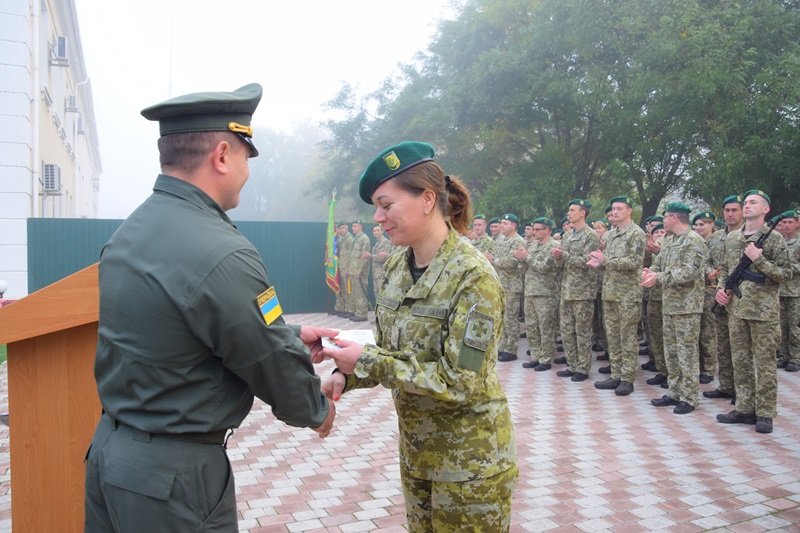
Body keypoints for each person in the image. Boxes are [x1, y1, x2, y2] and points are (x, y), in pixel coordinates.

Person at [83, 84, 336, 532]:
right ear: (221, 156)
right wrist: (316, 408)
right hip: (171, 479)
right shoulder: (220, 250)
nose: (246, 172)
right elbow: (269, 357)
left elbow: (176, 330)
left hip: (111, 455)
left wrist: (291, 333)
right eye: (245, 157)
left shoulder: (131, 232)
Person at [318, 141, 517, 532]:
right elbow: (397, 354)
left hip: (470, 467)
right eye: (376, 207)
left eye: (386, 204)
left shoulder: (472, 276)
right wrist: (347, 373)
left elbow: (459, 382)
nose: (378, 217)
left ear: (427, 199)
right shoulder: (397, 265)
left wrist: (366, 360)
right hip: (418, 456)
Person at [715, 190, 791, 433]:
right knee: (741, 361)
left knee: (766, 363)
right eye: (745, 202)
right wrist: (720, 289)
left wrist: (759, 260)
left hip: (763, 312)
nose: (747, 206)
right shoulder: (732, 238)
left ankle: (765, 412)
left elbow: (785, 275)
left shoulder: (775, 239)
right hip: (737, 309)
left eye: (753, 203)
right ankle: (745, 407)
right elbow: (726, 269)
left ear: (766, 209)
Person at [642, 203, 706, 414]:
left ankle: (689, 396)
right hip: (669, 305)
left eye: (666, 217)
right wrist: (649, 272)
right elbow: (658, 263)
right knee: (671, 351)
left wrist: (658, 277)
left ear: (675, 218)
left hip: (687, 307)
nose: (663, 221)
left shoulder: (694, 241)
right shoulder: (669, 240)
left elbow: (689, 273)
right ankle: (674, 391)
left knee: (686, 352)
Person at [589, 196, 646, 396]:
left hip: (628, 294)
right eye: (613, 209)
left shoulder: (636, 234)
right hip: (610, 292)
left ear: (629, 210)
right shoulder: (612, 235)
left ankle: (627, 378)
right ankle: (616, 373)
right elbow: (609, 262)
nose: (614, 212)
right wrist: (599, 261)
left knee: (627, 337)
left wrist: (606, 260)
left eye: (619, 208)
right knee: (612, 336)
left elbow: (633, 261)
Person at [553, 199, 600, 382]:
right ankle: (571, 364)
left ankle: (583, 367)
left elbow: (588, 263)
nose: (569, 213)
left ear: (583, 213)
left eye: (572, 210)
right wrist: (558, 257)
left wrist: (564, 256)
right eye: (569, 209)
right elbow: (562, 263)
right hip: (567, 289)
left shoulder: (591, 236)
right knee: (566, 330)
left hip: (583, 291)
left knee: (582, 331)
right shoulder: (567, 236)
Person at [703, 195, 744, 400]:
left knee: (742, 349)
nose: (730, 214)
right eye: (727, 210)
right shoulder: (717, 238)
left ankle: (743, 391)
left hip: (742, 298)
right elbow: (707, 260)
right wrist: (711, 271)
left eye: (734, 210)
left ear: (743, 211)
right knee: (723, 344)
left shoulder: (748, 236)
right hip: (718, 296)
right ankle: (726, 385)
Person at [517, 217, 560, 371]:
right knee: (532, 326)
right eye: (533, 229)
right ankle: (535, 356)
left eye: (537, 229)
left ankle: (546, 359)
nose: (534, 232)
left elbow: (544, 267)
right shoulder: (534, 246)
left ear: (547, 230)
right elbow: (523, 269)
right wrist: (521, 259)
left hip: (545, 293)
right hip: (530, 291)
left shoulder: (553, 247)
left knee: (546, 327)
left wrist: (526, 257)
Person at [494, 213, 528, 362]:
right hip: (500, 283)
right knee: (502, 318)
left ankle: (511, 349)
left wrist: (494, 261)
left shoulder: (518, 241)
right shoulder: (501, 240)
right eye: (501, 223)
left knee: (511, 318)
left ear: (513, 226)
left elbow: (511, 262)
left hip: (512, 285)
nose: (502, 226)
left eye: (505, 223)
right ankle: (502, 346)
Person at [692, 211, 718, 384]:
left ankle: (708, 368)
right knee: (696, 331)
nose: (699, 228)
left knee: (708, 331)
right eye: (697, 225)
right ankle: (698, 365)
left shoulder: (716, 243)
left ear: (711, 225)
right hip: (695, 292)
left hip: (711, 290)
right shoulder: (694, 242)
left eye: (703, 224)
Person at [778, 210, 800, 371]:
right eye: (784, 222)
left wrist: (787, 269)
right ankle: (784, 355)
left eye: (790, 222)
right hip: (780, 291)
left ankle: (795, 358)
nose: (786, 225)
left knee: (795, 327)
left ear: (797, 223)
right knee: (782, 326)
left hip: (795, 291)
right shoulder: (779, 241)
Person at [347, 219, 371, 322]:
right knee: (356, 293)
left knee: (361, 293)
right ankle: (357, 312)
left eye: (355, 226)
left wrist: (360, 271)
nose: (353, 228)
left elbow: (364, 256)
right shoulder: (355, 238)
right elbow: (352, 256)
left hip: (359, 271)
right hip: (353, 270)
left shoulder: (364, 238)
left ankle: (362, 314)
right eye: (352, 226)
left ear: (360, 226)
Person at [333, 222, 353, 317]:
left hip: (346, 268)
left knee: (347, 289)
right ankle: (341, 308)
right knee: (341, 288)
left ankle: (349, 309)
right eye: (340, 228)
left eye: (343, 228)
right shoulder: (341, 239)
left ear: (347, 228)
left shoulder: (350, 239)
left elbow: (351, 255)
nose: (342, 230)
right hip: (340, 266)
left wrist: (349, 268)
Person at [369, 224, 393, 296]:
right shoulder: (377, 243)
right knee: (377, 294)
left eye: (377, 230)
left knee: (382, 294)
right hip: (376, 273)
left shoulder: (386, 242)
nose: (376, 232)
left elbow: (383, 257)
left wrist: (371, 256)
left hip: (382, 274)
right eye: (374, 231)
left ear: (382, 231)